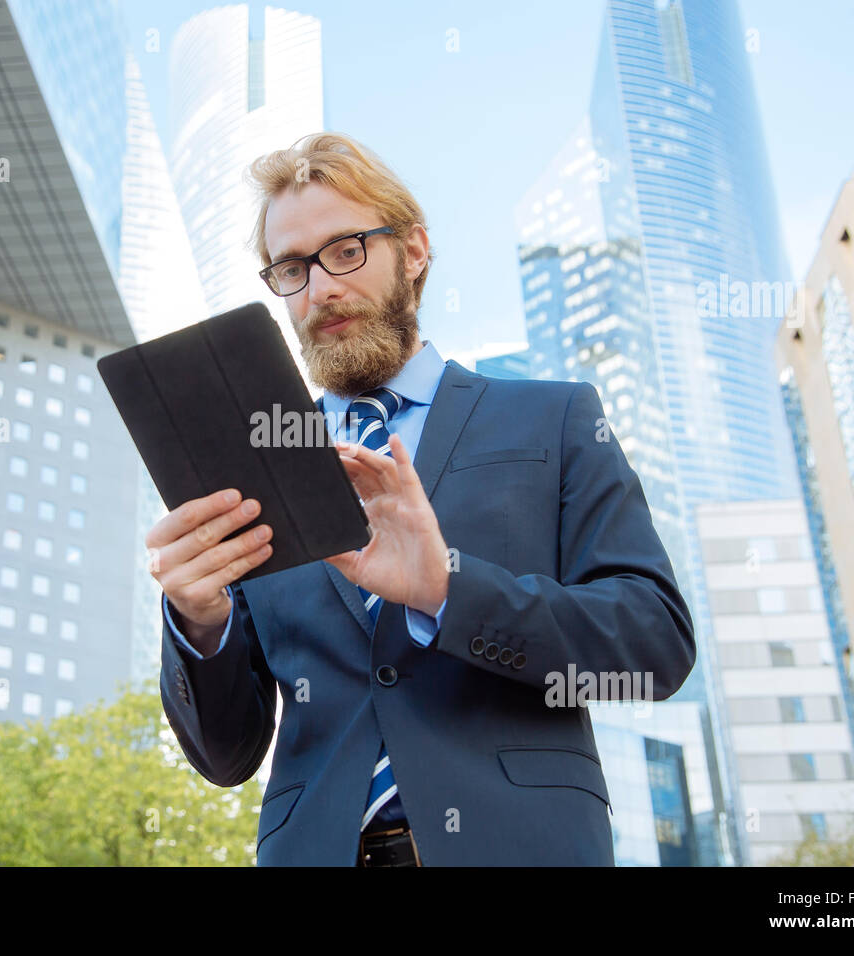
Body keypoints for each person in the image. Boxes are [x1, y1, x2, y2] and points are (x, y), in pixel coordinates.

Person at [146, 132, 695, 866]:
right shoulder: (254, 467)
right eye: (291, 268)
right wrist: (198, 620)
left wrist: (446, 590)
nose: (321, 289)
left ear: (413, 251)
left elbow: (652, 651)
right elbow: (227, 756)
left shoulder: (555, 418)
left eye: (345, 250)